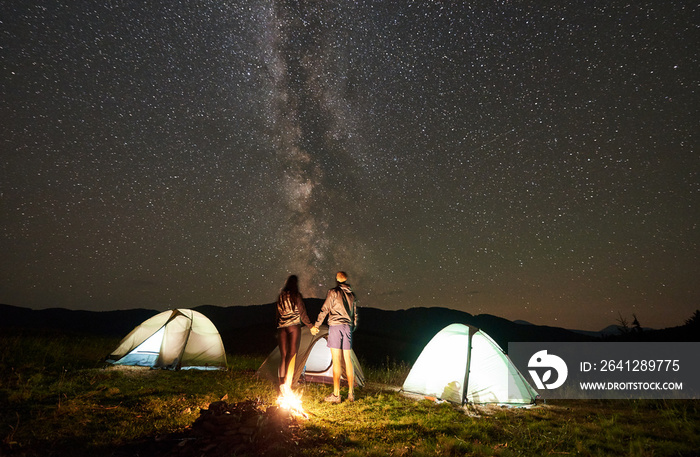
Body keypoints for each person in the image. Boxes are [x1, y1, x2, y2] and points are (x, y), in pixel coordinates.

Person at [311, 271, 359, 403]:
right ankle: (351, 394)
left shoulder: (333, 292)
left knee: (336, 360)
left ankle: (336, 395)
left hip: (336, 326)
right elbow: (355, 315)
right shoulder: (352, 295)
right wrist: (351, 327)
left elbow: (325, 309)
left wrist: (316, 325)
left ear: (337, 280)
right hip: (347, 327)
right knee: (348, 360)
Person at [276, 275, 313, 395]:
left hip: (281, 328)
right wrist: (310, 326)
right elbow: (302, 313)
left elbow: (278, 313)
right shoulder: (296, 296)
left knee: (283, 356)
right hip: (293, 327)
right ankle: (287, 385)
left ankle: (281, 384)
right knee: (291, 356)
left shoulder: (281, 296)